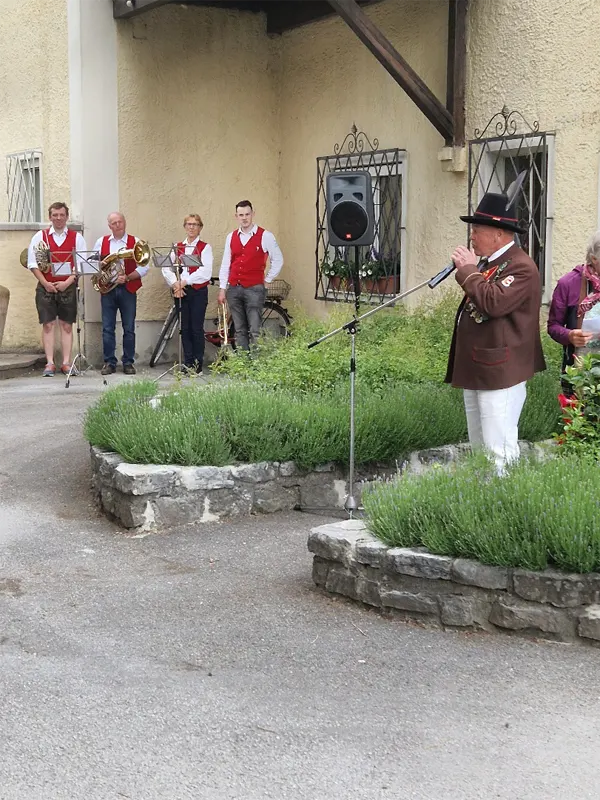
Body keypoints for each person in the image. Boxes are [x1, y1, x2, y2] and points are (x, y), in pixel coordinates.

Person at [445, 191, 546, 474]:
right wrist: (469, 270)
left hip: (501, 371)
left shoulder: (521, 266)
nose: (472, 236)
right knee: (481, 451)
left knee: (498, 449)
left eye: (477, 230)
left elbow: (493, 302)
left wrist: (466, 270)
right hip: (480, 367)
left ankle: (503, 507)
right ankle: (484, 504)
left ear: (499, 233)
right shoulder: (489, 264)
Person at [27, 201, 87, 377]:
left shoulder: (77, 238)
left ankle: (66, 363)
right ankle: (50, 363)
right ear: (50, 217)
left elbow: (81, 264)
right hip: (46, 286)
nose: (58, 218)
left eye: (62, 215)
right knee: (48, 324)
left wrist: (67, 282)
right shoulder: (40, 236)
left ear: (67, 217)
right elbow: (32, 263)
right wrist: (45, 283)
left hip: (67, 287)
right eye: (55, 215)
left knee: (67, 325)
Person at [218, 200, 283, 350]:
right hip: (234, 288)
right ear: (236, 216)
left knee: (255, 330)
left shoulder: (265, 235)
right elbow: (226, 263)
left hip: (254, 289)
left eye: (247, 214)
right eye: (241, 215)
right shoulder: (231, 237)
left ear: (253, 214)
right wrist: (223, 288)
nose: (244, 218)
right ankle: (244, 365)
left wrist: (267, 280)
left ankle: (256, 365)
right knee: (239, 329)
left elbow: (278, 260)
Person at [93, 212, 148, 376]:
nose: (118, 225)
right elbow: (91, 264)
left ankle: (128, 362)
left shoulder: (135, 242)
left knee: (129, 328)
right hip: (108, 290)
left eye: (120, 222)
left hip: (127, 289)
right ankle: (109, 362)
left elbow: (145, 266)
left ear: (125, 222)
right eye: (114, 223)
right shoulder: (101, 242)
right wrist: (100, 264)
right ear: (109, 226)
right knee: (107, 328)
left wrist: (128, 277)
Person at [547, 230, 600, 391]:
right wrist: (569, 336)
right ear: (594, 258)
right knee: (580, 414)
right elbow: (553, 326)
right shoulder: (569, 284)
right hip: (578, 373)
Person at [161, 214, 213, 373]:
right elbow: (166, 268)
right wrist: (175, 283)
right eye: (189, 224)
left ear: (200, 228)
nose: (192, 227)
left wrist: (185, 281)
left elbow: (206, 272)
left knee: (196, 327)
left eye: (195, 224)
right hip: (180, 291)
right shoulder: (177, 247)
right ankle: (188, 362)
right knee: (185, 327)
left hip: (197, 292)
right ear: (185, 226)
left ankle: (197, 365)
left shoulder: (205, 247)